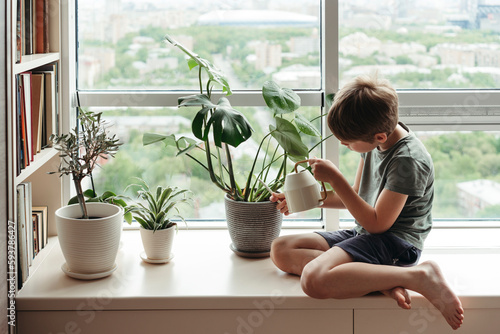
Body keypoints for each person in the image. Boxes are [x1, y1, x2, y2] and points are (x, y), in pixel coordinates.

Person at [269, 75, 464, 330]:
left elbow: (377, 224)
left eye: (348, 142)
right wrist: (304, 199)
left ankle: (418, 276)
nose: (343, 143)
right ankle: (378, 280)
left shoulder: (408, 160)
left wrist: (336, 178)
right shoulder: (376, 140)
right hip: (366, 235)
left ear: (380, 136)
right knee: (281, 249)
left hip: (395, 244)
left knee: (313, 280)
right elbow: (356, 198)